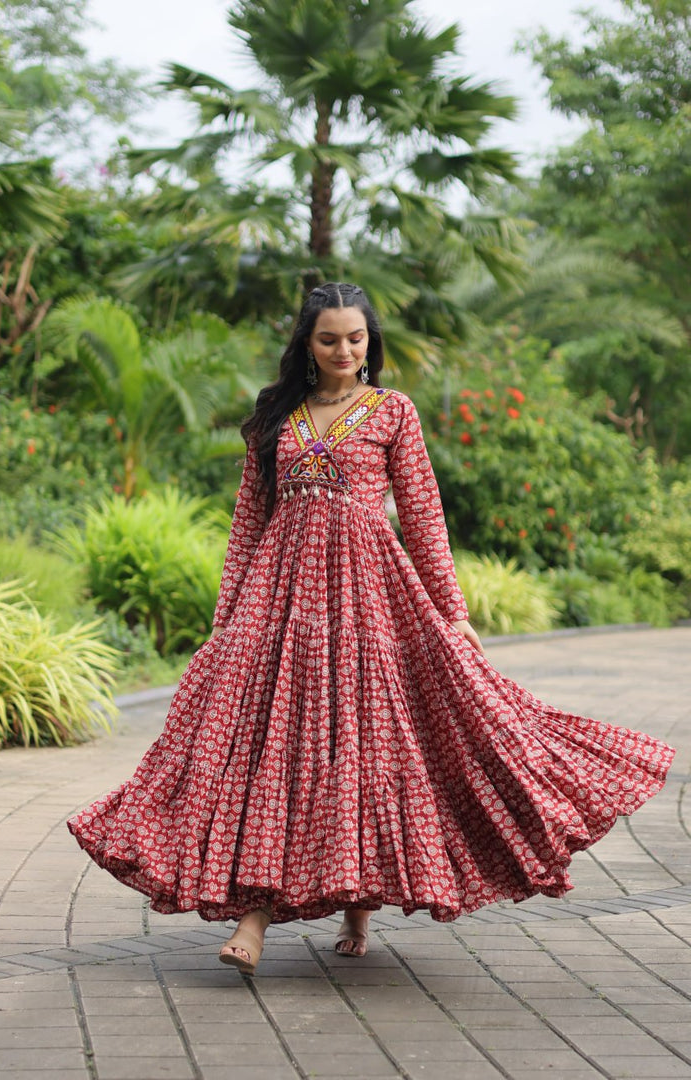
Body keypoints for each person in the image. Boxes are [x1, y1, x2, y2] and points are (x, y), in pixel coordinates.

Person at [68, 282, 675, 975]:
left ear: (370, 342)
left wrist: (454, 614)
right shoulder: (278, 417)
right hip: (282, 603)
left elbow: (422, 516)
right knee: (278, 748)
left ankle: (357, 902)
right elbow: (247, 525)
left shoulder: (393, 412)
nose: (344, 350)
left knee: (367, 741)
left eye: (356, 338)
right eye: (329, 339)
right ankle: (255, 917)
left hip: (370, 600)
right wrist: (225, 619)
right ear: (307, 343)